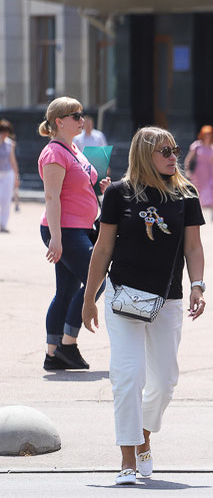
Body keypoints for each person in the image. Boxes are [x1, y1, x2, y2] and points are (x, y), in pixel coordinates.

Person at [82, 126, 206, 486]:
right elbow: (103, 248)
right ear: (144, 154)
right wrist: (89, 299)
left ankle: (144, 433)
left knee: (165, 380)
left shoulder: (186, 194)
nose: (173, 156)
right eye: (165, 151)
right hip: (123, 295)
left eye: (175, 149)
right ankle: (127, 457)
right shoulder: (119, 194)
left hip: (168, 298)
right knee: (128, 374)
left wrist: (198, 286)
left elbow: (193, 247)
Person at [37, 97, 109, 370]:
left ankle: (53, 353)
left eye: (82, 114)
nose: (82, 120)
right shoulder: (54, 153)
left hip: (79, 227)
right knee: (97, 279)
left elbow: (80, 185)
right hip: (64, 229)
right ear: (59, 122)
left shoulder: (75, 149)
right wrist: (55, 238)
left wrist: (102, 187)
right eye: (76, 116)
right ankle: (68, 344)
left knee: (66, 291)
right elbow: (52, 197)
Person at [185, 125, 213, 222]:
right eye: (205, 134)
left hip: (210, 172)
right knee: (198, 193)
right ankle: (198, 213)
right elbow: (188, 159)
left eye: (209, 134)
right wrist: (187, 170)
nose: (207, 136)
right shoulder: (196, 146)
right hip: (198, 173)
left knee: (211, 191)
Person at [0, 118, 19, 233]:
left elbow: (12, 160)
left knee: (6, 200)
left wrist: (16, 177)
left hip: (8, 174)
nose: (5, 135)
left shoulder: (10, 144)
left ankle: (3, 224)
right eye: (3, 132)